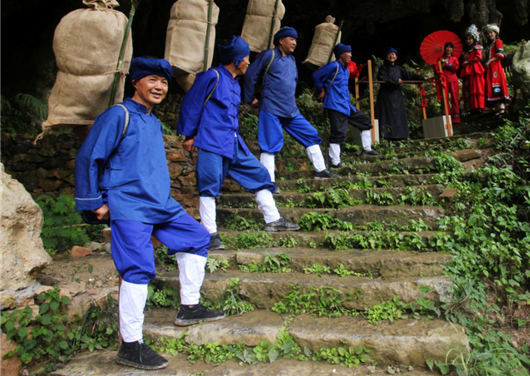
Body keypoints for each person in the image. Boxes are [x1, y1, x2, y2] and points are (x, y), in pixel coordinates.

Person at [75, 57, 225, 370]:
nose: (159, 87)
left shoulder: (152, 121)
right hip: (129, 204)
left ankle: (190, 306)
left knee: (198, 237)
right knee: (137, 268)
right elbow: (89, 157)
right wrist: (94, 201)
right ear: (136, 82)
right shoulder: (119, 115)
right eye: (152, 80)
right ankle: (131, 345)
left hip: (160, 203)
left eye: (165, 82)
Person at [177, 35, 299, 252]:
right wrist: (189, 134)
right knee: (209, 185)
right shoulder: (212, 76)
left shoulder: (234, 82)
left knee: (258, 174)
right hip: (212, 140)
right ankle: (210, 234)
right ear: (235, 59)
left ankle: (273, 219)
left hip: (233, 141)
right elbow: (192, 103)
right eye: (246, 58)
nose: (249, 62)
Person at [243, 27, 336, 182]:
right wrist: (250, 98)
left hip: (290, 109)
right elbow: (250, 75)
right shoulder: (269, 55)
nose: (294, 43)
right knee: (270, 142)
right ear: (281, 40)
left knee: (310, 133)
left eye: (296, 40)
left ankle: (321, 170)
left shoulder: (292, 60)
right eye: (291, 39)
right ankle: (268, 181)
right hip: (271, 107)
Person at [312, 43, 380, 168]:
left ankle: (367, 149)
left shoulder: (346, 70)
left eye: (350, 52)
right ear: (340, 54)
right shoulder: (333, 66)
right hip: (334, 105)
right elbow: (316, 75)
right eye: (347, 52)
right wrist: (321, 89)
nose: (350, 55)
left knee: (365, 121)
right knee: (338, 132)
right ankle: (335, 161)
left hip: (346, 106)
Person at [376, 47, 427, 139]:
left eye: (393, 54)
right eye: (390, 54)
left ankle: (400, 136)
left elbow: (409, 75)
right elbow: (381, 77)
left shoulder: (399, 68)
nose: (391, 56)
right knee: (386, 115)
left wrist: (422, 78)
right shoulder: (383, 68)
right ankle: (386, 136)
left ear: (396, 57)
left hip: (397, 95)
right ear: (386, 56)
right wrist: (395, 80)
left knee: (398, 115)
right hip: (386, 95)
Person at [483, 24, 510, 114]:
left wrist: (490, 61)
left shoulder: (498, 42)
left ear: (495, 33)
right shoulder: (490, 45)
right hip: (490, 67)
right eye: (488, 33)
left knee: (497, 84)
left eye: (491, 33)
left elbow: (500, 55)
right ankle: (495, 107)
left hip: (495, 66)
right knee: (491, 85)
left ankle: (501, 107)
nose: (489, 35)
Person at [433, 43, 461, 124]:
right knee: (444, 99)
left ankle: (456, 118)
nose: (448, 49)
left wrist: (447, 64)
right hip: (444, 81)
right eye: (447, 47)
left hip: (453, 80)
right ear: (445, 49)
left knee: (454, 98)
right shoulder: (440, 59)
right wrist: (441, 64)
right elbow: (437, 70)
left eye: (450, 47)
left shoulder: (454, 58)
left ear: (452, 49)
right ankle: (446, 118)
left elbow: (455, 68)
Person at [460, 24, 486, 114]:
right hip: (468, 70)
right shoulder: (466, 51)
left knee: (476, 87)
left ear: (474, 39)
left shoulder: (476, 48)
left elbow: (478, 57)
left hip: (475, 69)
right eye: (467, 39)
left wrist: (468, 62)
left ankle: (478, 106)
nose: (468, 41)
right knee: (469, 88)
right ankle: (470, 107)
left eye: (470, 39)